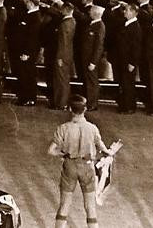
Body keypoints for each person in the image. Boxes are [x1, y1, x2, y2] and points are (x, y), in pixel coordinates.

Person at [47, 94, 117, 228]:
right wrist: (108, 153)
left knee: (64, 205)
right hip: (87, 167)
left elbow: (51, 150)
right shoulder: (92, 128)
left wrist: (63, 154)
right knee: (90, 207)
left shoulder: (63, 128)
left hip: (70, 166)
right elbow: (102, 147)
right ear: (85, 110)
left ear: (69, 109)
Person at [116, 3, 141, 114]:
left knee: (128, 84)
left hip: (129, 61)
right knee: (124, 83)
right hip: (123, 59)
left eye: (127, 10)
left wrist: (132, 62)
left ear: (133, 12)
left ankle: (129, 107)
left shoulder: (135, 27)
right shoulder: (125, 24)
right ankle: (124, 105)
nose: (124, 12)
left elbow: (136, 47)